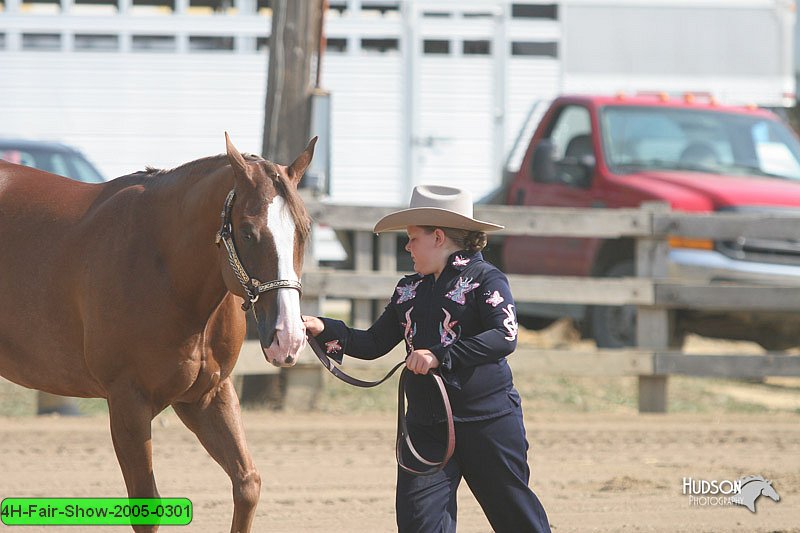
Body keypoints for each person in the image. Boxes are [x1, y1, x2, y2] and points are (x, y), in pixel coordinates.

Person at [303, 185, 551, 533]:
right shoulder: (408, 289)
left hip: (488, 423)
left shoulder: (486, 279)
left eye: (412, 238)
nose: (406, 246)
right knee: (419, 525)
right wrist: (321, 327)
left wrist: (439, 355)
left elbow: (504, 336)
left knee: (517, 521)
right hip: (424, 428)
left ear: (438, 237)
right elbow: (374, 342)